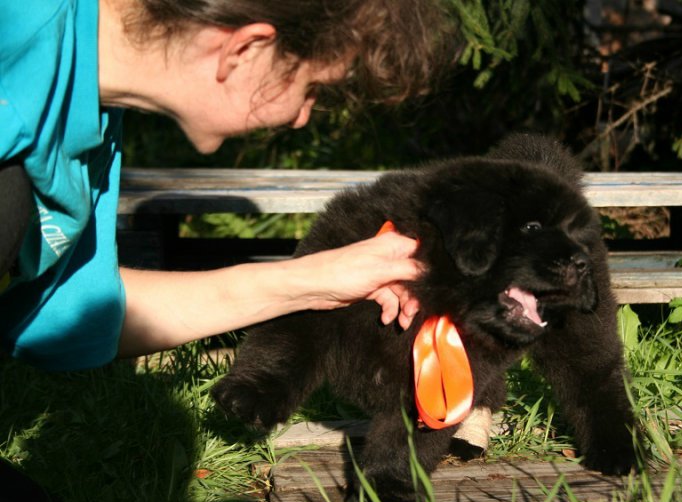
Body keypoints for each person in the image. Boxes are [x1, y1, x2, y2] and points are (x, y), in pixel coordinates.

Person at [0, 0, 452, 372]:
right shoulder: (17, 46)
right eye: (309, 88)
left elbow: (66, 309)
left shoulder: (90, 115)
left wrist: (313, 281)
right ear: (246, 49)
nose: (301, 117)